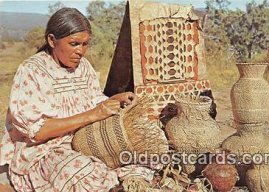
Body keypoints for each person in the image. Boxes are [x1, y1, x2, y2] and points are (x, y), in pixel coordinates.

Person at [0, 7, 154, 192]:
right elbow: (38, 132)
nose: (81, 51)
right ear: (51, 40)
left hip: (83, 139)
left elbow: (93, 101)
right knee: (80, 171)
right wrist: (94, 114)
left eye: (85, 44)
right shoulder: (31, 71)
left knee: (139, 156)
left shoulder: (84, 67)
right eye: (74, 44)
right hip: (44, 150)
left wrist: (116, 99)